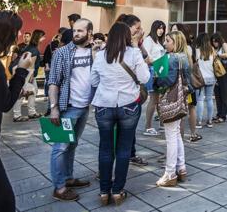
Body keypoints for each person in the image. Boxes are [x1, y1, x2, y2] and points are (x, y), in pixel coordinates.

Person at [90, 22, 150, 206]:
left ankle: (103, 192)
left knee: (105, 149)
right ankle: (117, 191)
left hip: (104, 105)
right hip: (128, 105)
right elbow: (145, 78)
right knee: (123, 149)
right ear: (126, 37)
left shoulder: (101, 55)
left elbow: (93, 80)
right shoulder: (133, 53)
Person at [0, 11, 32, 212]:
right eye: (16, 31)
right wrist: (21, 70)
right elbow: (5, 103)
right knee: (2, 200)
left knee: (1, 199)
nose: (18, 36)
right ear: (5, 34)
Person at [47, 19, 95, 202]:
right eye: (75, 31)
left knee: (72, 144)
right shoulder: (62, 53)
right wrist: (54, 108)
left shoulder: (93, 52)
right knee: (60, 147)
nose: (76, 34)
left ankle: (68, 178)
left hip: (84, 107)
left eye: (80, 31)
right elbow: (53, 82)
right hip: (68, 107)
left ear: (90, 33)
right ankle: (59, 188)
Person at [154, 31, 190, 187]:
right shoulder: (185, 57)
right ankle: (181, 168)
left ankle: (170, 173)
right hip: (181, 99)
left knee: (170, 137)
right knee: (176, 134)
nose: (165, 43)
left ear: (175, 42)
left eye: (168, 41)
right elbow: (187, 80)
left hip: (170, 100)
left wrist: (157, 77)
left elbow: (168, 80)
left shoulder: (172, 58)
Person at [115, 14, 148, 167]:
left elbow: (146, 58)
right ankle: (111, 166)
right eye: (137, 28)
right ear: (127, 29)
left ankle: (130, 154)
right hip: (119, 98)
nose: (140, 31)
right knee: (116, 134)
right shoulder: (117, 48)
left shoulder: (135, 46)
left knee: (130, 130)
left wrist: (138, 43)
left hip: (133, 96)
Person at [171, 24, 201, 143]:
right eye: (172, 30)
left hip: (184, 84)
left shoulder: (185, 49)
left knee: (186, 109)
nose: (172, 32)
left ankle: (183, 138)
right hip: (188, 84)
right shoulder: (191, 48)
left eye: (175, 30)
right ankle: (192, 134)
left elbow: (187, 68)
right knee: (190, 107)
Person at [12, 29, 45, 122]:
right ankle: (17, 115)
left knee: (33, 91)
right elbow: (31, 64)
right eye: (43, 36)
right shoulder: (33, 49)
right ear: (39, 37)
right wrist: (30, 77)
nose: (44, 38)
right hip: (27, 73)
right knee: (22, 93)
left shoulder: (29, 47)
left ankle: (31, 112)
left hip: (24, 73)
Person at [143, 20, 167, 136]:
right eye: (159, 28)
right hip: (153, 71)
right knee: (153, 100)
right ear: (154, 28)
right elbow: (146, 57)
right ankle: (148, 127)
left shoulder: (160, 41)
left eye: (163, 28)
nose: (161, 30)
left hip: (161, 71)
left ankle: (162, 124)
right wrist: (158, 63)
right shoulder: (149, 40)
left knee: (160, 100)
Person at [195, 33, 215, 128]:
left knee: (200, 100)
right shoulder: (212, 50)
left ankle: (199, 122)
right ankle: (210, 121)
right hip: (211, 77)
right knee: (209, 99)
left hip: (200, 78)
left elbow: (196, 63)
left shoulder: (198, 50)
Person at [211, 32, 227, 123]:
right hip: (216, 73)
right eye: (213, 42)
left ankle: (223, 115)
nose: (214, 43)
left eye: (215, 41)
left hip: (224, 73)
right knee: (217, 95)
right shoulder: (215, 48)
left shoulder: (224, 45)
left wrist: (218, 55)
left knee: (224, 95)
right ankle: (219, 113)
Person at [43, 32, 62, 116]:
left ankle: (50, 108)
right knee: (53, 86)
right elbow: (46, 56)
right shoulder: (54, 45)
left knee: (51, 86)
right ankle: (51, 108)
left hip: (51, 66)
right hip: (53, 66)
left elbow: (46, 56)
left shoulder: (51, 45)